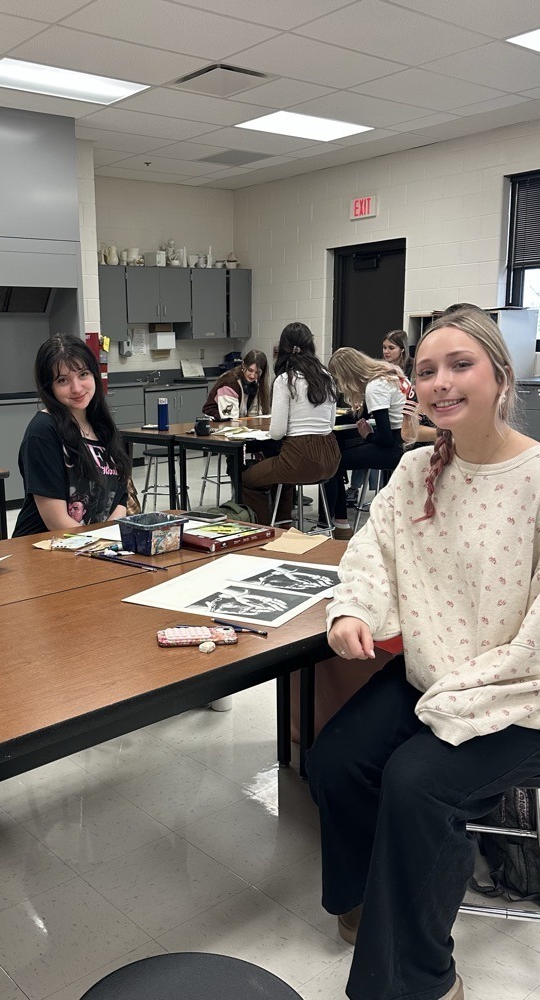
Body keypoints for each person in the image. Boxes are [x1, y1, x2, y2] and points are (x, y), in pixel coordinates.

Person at [306, 309, 540, 1000]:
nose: (440, 382)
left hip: (517, 695)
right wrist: (353, 609)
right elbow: (371, 554)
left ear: (501, 375)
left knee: (418, 782)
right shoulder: (416, 472)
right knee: (338, 760)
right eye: (427, 370)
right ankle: (367, 904)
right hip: (434, 679)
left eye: (459, 364)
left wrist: (468, 689)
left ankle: (422, 980)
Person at [13, 333, 130, 536]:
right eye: (63, 380)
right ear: (49, 387)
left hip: (95, 546)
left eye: (83, 374)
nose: (76, 388)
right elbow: (56, 521)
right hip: (45, 550)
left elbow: (120, 499)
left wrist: (109, 541)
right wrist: (102, 542)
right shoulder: (43, 431)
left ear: (94, 374)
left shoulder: (104, 427)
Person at [242, 324, 340, 525]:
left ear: (282, 348)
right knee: (282, 473)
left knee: (248, 479)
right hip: (331, 458)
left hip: (300, 458)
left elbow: (277, 433)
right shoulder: (327, 377)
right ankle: (284, 523)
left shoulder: (285, 380)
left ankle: (265, 531)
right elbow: (330, 425)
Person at [324, 347, 408, 538]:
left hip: (394, 447)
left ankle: (339, 523)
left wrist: (368, 436)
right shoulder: (391, 374)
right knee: (348, 453)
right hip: (408, 441)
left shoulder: (375, 386)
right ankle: (340, 522)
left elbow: (385, 439)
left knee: (335, 462)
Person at [202, 349, 269, 420]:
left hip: (237, 421)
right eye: (250, 370)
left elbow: (254, 416)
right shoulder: (230, 383)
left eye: (257, 372)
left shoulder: (254, 384)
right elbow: (231, 419)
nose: (252, 376)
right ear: (243, 365)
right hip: (217, 422)